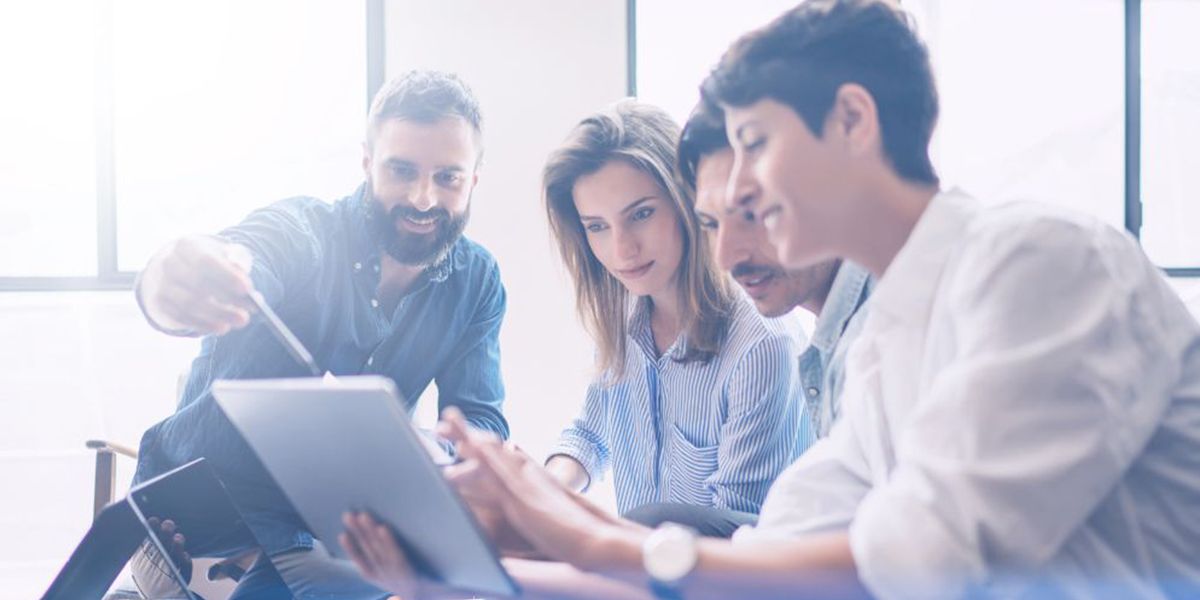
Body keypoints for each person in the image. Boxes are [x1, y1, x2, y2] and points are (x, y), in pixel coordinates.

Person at [342, 2, 1200, 598]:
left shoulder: (1037, 261)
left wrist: (584, 537)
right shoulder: (872, 351)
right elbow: (765, 562)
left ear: (854, 122)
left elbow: (926, 565)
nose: (736, 201)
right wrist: (469, 576)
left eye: (754, 146)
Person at [132, 70, 508, 599]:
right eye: (402, 171)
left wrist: (422, 450)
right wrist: (168, 279)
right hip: (203, 513)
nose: (423, 199)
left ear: (474, 179)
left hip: (332, 525)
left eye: (448, 177)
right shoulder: (304, 231)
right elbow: (242, 254)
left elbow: (481, 420)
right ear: (367, 164)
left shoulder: (478, 281)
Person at [540, 100, 808, 527]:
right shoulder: (625, 314)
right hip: (639, 573)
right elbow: (589, 435)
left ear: (688, 203)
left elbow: (729, 529)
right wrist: (537, 492)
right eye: (597, 227)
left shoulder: (761, 344)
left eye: (641, 214)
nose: (621, 250)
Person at [624, 100, 873, 536]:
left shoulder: (879, 331)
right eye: (712, 224)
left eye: (754, 214)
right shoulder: (830, 345)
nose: (726, 256)